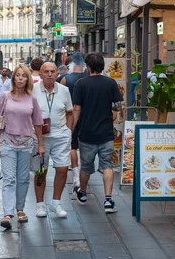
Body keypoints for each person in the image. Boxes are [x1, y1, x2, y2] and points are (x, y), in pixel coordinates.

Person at [0, 65, 44, 229]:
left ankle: (20, 209)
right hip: (7, 143)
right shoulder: (5, 96)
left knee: (23, 178)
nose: (20, 78)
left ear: (27, 79)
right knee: (9, 179)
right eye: (17, 75)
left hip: (26, 144)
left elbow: (38, 123)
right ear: (13, 79)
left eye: (23, 76)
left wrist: (41, 145)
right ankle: (8, 213)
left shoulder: (32, 99)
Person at [72, 52, 123, 213]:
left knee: (86, 167)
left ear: (88, 66)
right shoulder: (111, 83)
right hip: (106, 132)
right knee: (107, 164)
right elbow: (117, 107)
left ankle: (83, 193)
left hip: (87, 132)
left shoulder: (81, 84)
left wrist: (71, 129)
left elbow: (76, 110)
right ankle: (108, 200)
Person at [32, 62, 73, 218]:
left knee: (62, 169)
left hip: (61, 135)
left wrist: (68, 131)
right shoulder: (33, 90)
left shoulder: (64, 91)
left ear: (57, 74)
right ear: (40, 74)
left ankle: (56, 202)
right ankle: (40, 204)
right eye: (46, 71)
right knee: (41, 170)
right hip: (40, 136)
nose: (49, 74)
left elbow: (70, 112)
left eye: (52, 71)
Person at [60, 53, 89, 192]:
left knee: (72, 146)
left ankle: (76, 176)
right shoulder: (88, 78)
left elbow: (60, 100)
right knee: (86, 146)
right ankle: (84, 173)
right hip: (87, 116)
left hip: (70, 116)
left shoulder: (65, 79)